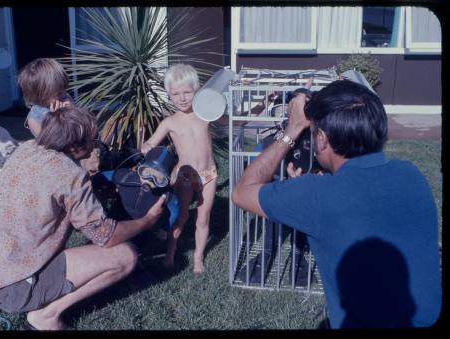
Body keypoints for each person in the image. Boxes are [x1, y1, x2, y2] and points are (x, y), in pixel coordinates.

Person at [232, 79, 441, 328]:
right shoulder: (411, 174)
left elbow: (242, 192)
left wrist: (293, 128)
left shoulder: (315, 194)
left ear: (321, 138)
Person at [0, 106, 166, 330]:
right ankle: (46, 316)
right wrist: (147, 220)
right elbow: (106, 236)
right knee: (125, 256)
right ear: (73, 146)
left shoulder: (27, 149)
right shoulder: (70, 176)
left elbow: (51, 199)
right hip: (13, 287)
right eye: (92, 140)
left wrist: (93, 194)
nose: (96, 145)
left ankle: (3, 290)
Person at [141, 64, 217, 274]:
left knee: (203, 218)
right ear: (169, 95)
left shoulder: (205, 115)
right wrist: (146, 147)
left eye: (187, 92)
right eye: (176, 94)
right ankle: (170, 253)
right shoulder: (169, 122)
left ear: (197, 90)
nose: (182, 98)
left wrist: (263, 103)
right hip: (185, 176)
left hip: (209, 174)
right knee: (181, 217)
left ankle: (198, 257)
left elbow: (236, 121)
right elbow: (151, 143)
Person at [18, 57, 99, 174]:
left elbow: (84, 129)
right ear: (40, 94)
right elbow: (51, 148)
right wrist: (57, 120)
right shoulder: (34, 119)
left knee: (93, 167)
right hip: (63, 164)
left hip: (82, 150)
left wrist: (71, 111)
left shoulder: (64, 97)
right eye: (58, 91)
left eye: (63, 88)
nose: (63, 92)